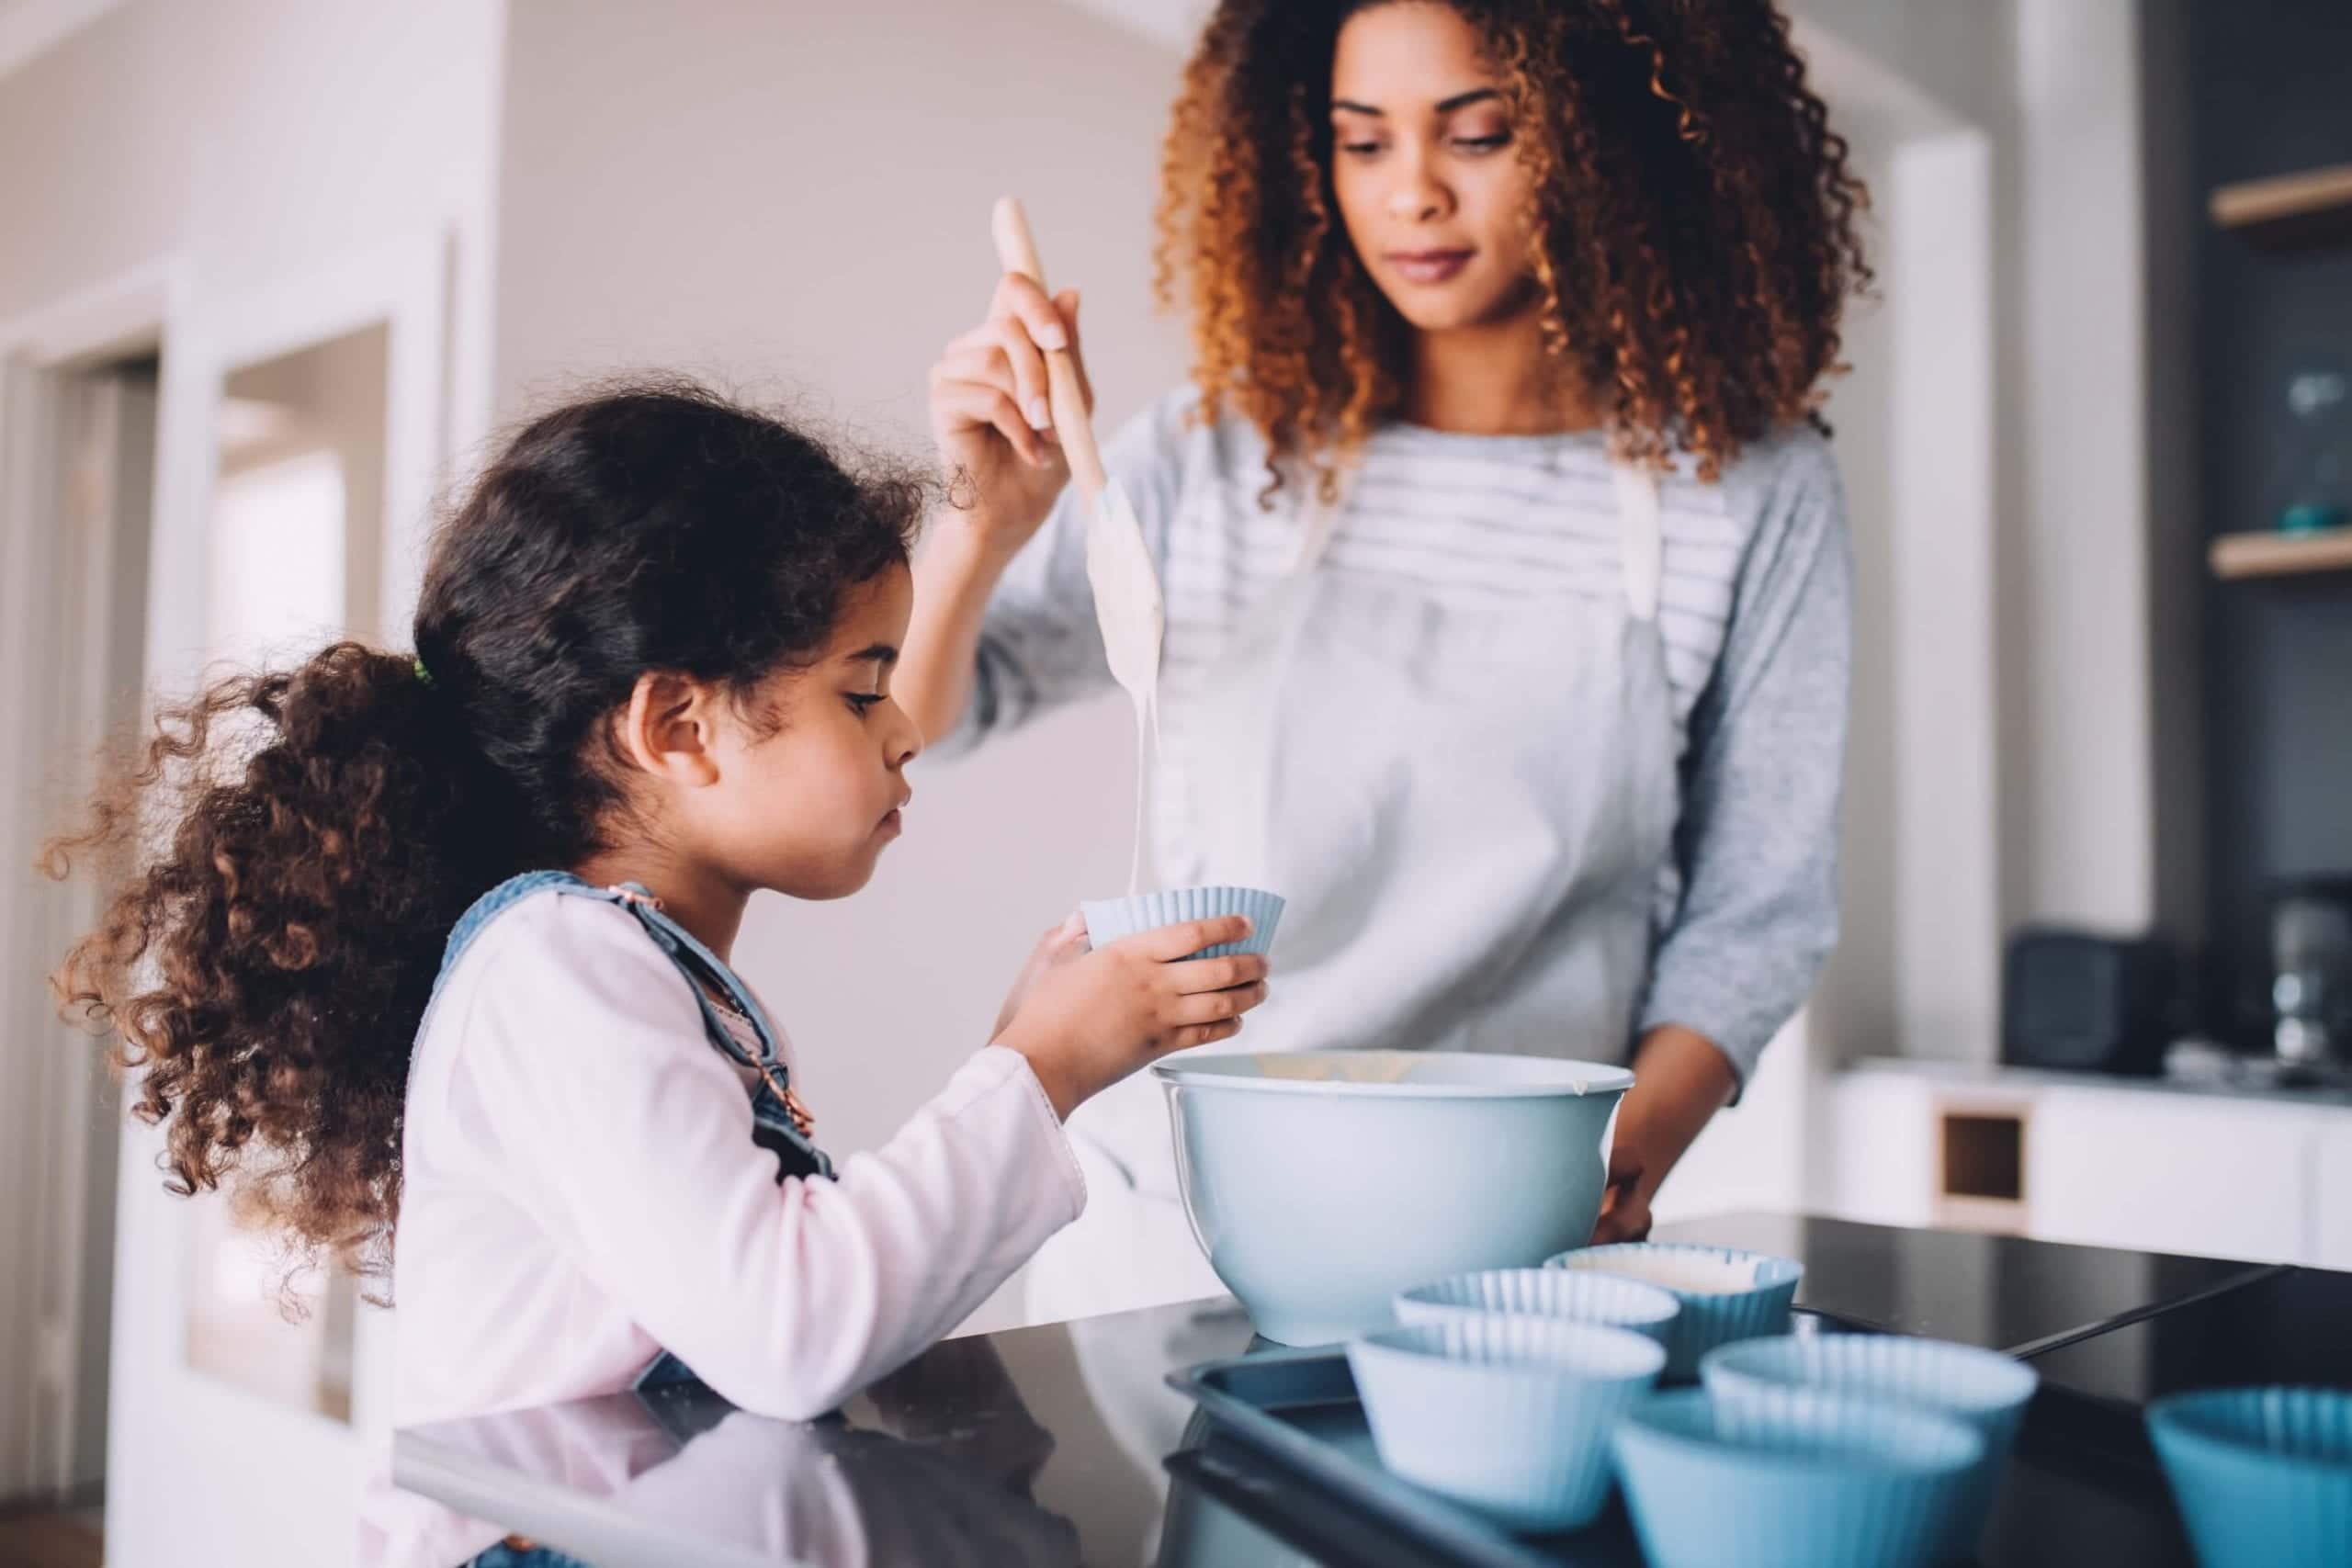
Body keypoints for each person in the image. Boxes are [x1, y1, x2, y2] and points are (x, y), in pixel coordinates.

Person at [43, 381, 1272, 1506]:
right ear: (675, 725)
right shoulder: (557, 977)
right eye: (862, 690)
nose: (905, 734)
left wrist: (1023, 1046)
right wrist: (1039, 1070)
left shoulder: (621, 972)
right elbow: (793, 1323)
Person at [902, 0, 1866, 1325]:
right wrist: (979, 529)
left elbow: (1755, 918)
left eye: (1479, 134)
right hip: (1176, 1220)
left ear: (1620, 136)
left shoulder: (1747, 489)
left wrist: (1613, 1159)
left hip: (1509, 1236)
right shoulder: (1224, 451)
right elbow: (934, 717)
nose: (1412, 193)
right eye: (1362, 143)